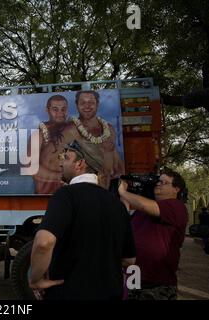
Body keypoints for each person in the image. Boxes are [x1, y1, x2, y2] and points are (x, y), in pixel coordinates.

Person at [29, 139, 136, 300]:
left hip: (69, 294)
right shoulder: (118, 205)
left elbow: (44, 243)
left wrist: (35, 279)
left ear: (80, 164)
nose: (61, 164)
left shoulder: (66, 195)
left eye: (66, 158)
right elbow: (129, 260)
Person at [118, 168, 188, 300]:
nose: (158, 184)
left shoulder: (176, 207)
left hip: (157, 283)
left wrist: (122, 191)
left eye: (164, 182)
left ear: (176, 189)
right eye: (158, 181)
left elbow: (145, 205)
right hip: (134, 278)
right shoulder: (142, 211)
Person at [62, 90, 124, 189]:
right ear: (77, 105)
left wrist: (121, 184)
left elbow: (115, 160)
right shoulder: (69, 129)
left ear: (97, 104)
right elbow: (62, 162)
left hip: (108, 188)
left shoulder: (109, 129)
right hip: (82, 187)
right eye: (82, 103)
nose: (87, 106)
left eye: (91, 102)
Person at [31, 95, 69, 194]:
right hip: (45, 195)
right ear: (47, 110)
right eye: (55, 109)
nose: (60, 113)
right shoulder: (38, 134)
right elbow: (32, 168)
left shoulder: (73, 130)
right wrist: (62, 177)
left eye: (63, 109)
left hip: (71, 195)